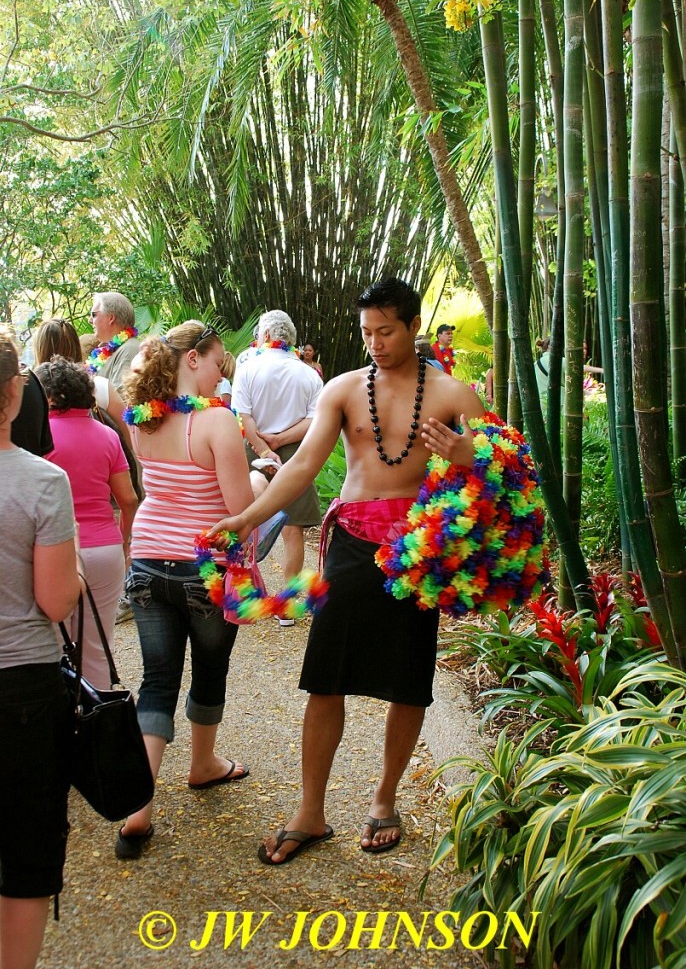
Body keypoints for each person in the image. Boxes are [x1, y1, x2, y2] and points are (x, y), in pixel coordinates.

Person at [210, 277, 484, 864]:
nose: (376, 343)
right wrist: (248, 517)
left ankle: (384, 799)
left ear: (413, 327)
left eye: (387, 331)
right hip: (352, 547)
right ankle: (310, 810)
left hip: (418, 555)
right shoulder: (339, 389)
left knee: (409, 681)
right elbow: (303, 464)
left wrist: (468, 456)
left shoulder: (455, 396)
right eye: (367, 333)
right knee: (324, 678)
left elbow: (502, 484)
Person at [115, 321, 268, 860]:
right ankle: (203, 765)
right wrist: (260, 481)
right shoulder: (215, 421)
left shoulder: (142, 419)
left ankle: (138, 808)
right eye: (219, 359)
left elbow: (156, 489)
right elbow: (237, 515)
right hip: (203, 569)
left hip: (149, 561)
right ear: (195, 359)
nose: (223, 369)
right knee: (209, 668)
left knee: (156, 680)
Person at [0, 328, 81, 969]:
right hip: (21, 687)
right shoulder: (41, 483)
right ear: (14, 394)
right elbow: (56, 602)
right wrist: (77, 576)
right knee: (24, 851)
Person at [35, 358, 138, 690]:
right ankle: (98, 730)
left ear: (47, 397)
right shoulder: (107, 436)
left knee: (53, 644)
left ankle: (62, 728)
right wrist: (123, 543)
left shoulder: (40, 438)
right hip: (104, 550)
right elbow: (129, 499)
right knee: (97, 646)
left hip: (56, 551)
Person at [231, 310, 323, 622]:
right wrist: (282, 439)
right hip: (295, 452)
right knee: (292, 528)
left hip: (253, 449)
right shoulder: (309, 374)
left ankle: (241, 595)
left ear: (267, 336)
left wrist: (263, 446)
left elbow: (244, 416)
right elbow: (314, 421)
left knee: (245, 519)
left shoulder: (247, 367)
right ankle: (286, 606)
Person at [88, 292, 141, 393]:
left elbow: (122, 402)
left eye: (93, 315)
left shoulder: (129, 349)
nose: (90, 320)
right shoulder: (107, 351)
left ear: (111, 318)